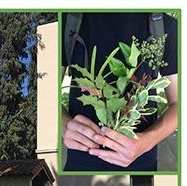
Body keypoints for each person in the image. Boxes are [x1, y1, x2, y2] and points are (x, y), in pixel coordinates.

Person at [62, 13, 178, 171]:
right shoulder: (68, 19)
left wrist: (146, 142)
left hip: (141, 164)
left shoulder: (165, 25)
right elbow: (44, 95)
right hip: (81, 162)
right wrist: (63, 125)